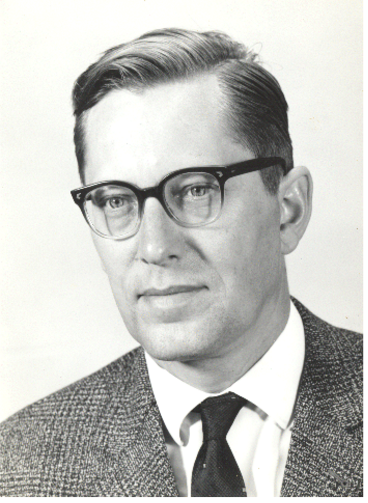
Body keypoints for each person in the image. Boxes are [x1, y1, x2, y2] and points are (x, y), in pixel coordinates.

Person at [0, 28, 362, 497]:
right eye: (115, 200)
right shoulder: (19, 466)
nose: (154, 246)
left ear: (288, 210)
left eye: (196, 190)